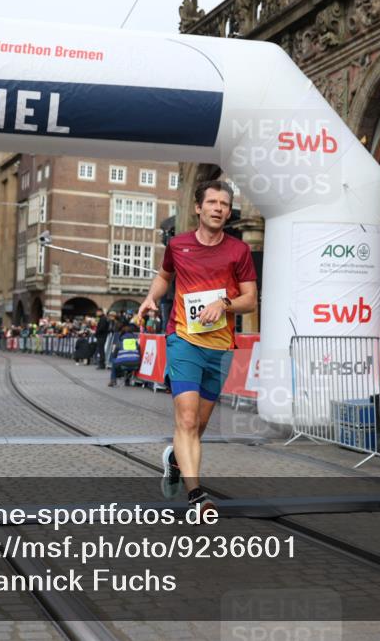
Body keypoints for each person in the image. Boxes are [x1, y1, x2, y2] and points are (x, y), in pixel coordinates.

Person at [137, 180, 257, 513]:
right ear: (198, 208)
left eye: (225, 204)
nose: (219, 208)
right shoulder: (178, 245)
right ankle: (197, 496)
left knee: (199, 426)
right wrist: (151, 297)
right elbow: (164, 276)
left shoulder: (239, 251)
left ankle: (175, 460)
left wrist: (224, 304)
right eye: (213, 202)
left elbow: (249, 300)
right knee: (187, 421)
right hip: (183, 340)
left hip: (219, 347)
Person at [108, 322, 141, 387]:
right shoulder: (135, 342)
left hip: (123, 363)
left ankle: (113, 380)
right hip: (136, 364)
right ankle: (127, 381)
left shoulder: (120, 341)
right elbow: (139, 352)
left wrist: (114, 359)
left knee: (115, 362)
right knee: (130, 359)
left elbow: (114, 354)